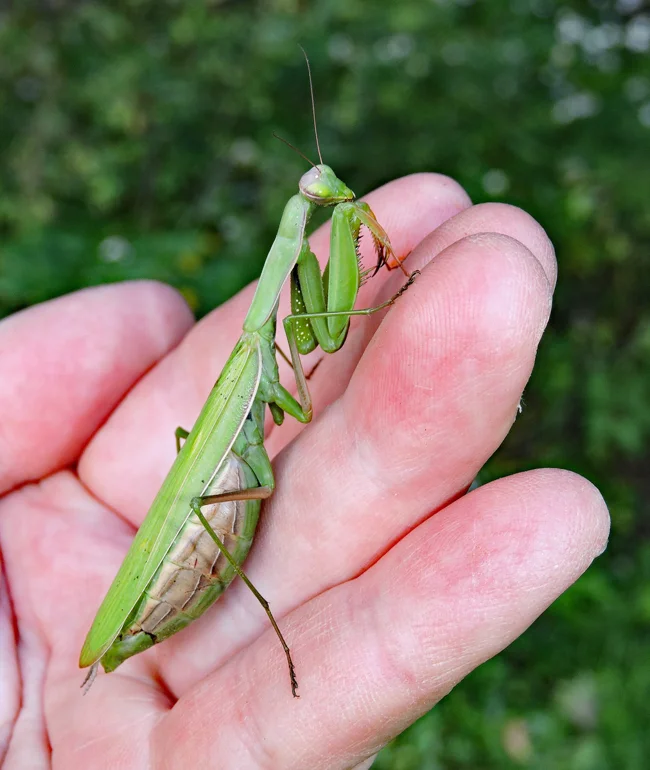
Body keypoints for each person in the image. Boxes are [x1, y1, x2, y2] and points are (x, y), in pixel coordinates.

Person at [0, 173, 608, 769]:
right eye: (323, 195)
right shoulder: (261, 340)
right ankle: (254, 614)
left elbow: (310, 346)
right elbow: (317, 341)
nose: (337, 197)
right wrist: (383, 294)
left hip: (215, 488)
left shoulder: (264, 337)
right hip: (198, 521)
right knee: (222, 475)